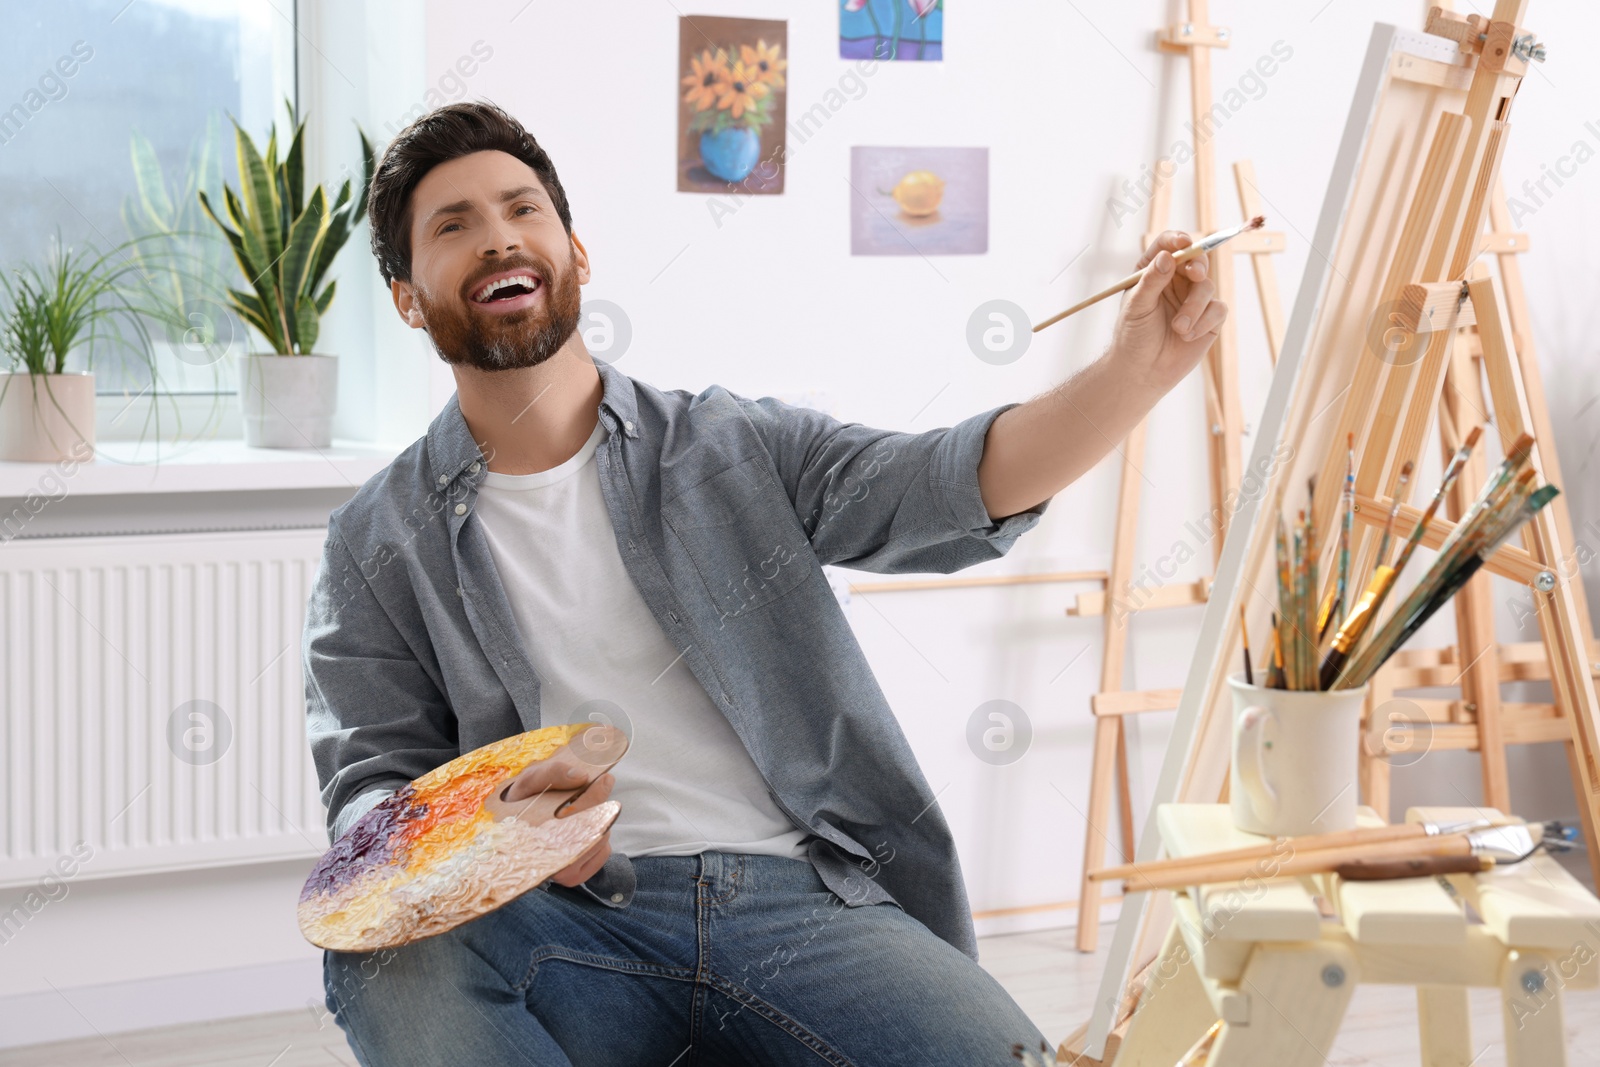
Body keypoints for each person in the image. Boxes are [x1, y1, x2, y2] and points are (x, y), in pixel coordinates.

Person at [306, 99, 1224, 1066]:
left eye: (521, 209)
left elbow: (945, 484)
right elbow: (372, 793)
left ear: (576, 252)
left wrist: (1136, 369)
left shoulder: (729, 444)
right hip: (559, 929)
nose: (498, 239)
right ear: (408, 296)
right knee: (378, 961)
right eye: (454, 225)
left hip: (797, 907)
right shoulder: (374, 539)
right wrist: (494, 846)